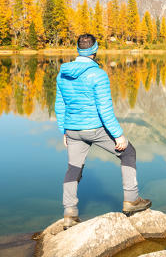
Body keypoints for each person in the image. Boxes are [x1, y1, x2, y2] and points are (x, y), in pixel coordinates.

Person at [55, 33, 151, 229]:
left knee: (73, 168)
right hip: (95, 129)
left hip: (73, 129)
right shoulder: (98, 74)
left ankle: (69, 214)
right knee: (128, 153)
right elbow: (104, 109)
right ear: (95, 51)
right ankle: (132, 200)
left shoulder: (62, 73)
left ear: (78, 50)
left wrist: (64, 130)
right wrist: (118, 135)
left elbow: (60, 104)